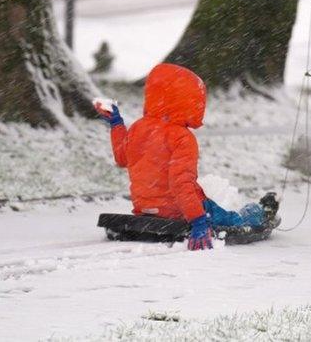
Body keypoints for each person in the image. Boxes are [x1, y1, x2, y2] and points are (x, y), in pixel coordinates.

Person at [96, 63, 267, 251]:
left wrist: (117, 124)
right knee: (233, 220)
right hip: (180, 210)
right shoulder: (181, 137)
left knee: (200, 205)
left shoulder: (138, 128)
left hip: (145, 207)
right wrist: (198, 220)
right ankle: (258, 213)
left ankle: (254, 211)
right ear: (190, 101)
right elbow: (181, 182)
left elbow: (122, 158)